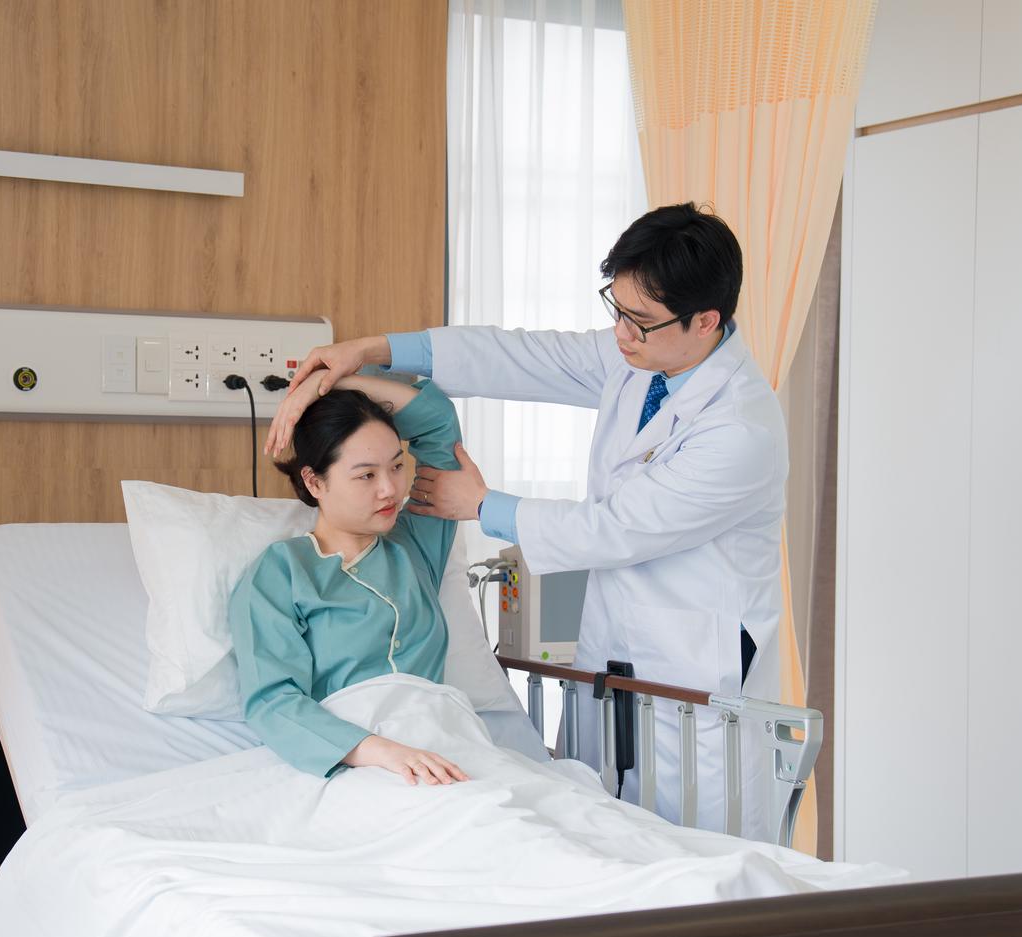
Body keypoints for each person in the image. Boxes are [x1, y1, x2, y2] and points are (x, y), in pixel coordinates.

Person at [281, 203, 788, 838]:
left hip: (694, 672)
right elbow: (515, 355)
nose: (620, 333)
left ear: (706, 320)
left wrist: (482, 505)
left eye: (639, 321)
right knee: (602, 835)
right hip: (614, 658)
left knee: (704, 853)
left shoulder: (738, 429)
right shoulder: (644, 355)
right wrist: (370, 350)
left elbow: (616, 528)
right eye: (617, 308)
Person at [229, 371, 471, 786]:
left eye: (397, 466)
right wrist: (385, 753)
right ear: (314, 481)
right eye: (366, 475)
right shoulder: (282, 573)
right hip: (352, 764)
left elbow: (439, 423)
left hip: (451, 748)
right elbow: (272, 701)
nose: (390, 489)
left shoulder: (416, 544)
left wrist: (329, 383)